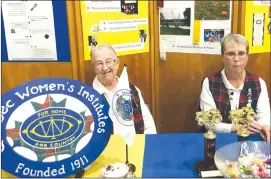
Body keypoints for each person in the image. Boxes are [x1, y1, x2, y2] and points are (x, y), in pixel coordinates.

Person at [199, 34, 270, 143]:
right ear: (222, 56)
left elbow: (263, 116)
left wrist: (264, 126)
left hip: (249, 140)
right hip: (218, 140)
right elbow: (209, 122)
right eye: (231, 54)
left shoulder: (259, 83)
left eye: (241, 53)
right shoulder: (209, 82)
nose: (236, 59)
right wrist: (234, 128)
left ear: (247, 56)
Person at [91, 44, 157, 134]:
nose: (105, 67)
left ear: (117, 63)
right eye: (99, 63)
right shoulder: (89, 97)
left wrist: (146, 145)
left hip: (137, 144)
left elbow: (149, 125)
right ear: (94, 68)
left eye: (108, 61)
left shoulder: (132, 89)